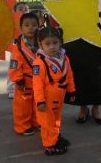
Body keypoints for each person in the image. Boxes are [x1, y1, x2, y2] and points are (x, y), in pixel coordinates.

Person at [51, 0, 101, 124]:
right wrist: (56, 35)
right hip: (71, 34)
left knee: (96, 71)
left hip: (96, 33)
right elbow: (55, 6)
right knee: (76, 72)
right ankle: (83, 107)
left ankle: (97, 108)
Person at [33, 27, 76, 155]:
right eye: (47, 44)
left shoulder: (64, 58)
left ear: (60, 42)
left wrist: (72, 90)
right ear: (40, 44)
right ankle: (50, 145)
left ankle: (55, 137)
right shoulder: (39, 62)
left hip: (59, 96)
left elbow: (69, 75)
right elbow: (37, 84)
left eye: (55, 43)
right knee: (47, 123)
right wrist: (40, 101)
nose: (52, 47)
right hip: (46, 98)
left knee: (56, 119)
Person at [8, 13, 40, 135]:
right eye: (27, 25)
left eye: (34, 25)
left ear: (39, 25)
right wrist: (17, 79)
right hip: (24, 80)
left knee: (38, 103)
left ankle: (37, 122)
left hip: (39, 80)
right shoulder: (18, 47)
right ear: (21, 28)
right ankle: (23, 126)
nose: (31, 28)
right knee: (23, 106)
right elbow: (14, 64)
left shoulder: (41, 42)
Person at [7, 2, 31, 99]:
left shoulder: (30, 23)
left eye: (26, 9)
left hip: (27, 51)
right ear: (14, 11)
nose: (23, 12)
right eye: (20, 9)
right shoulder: (13, 22)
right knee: (13, 68)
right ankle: (11, 89)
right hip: (16, 50)